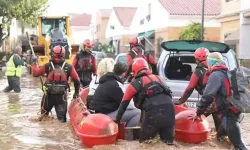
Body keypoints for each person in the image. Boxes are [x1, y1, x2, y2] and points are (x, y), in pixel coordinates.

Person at [189, 52, 247, 150]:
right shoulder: (228, 72)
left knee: (239, 145)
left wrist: (198, 112)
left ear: (211, 63)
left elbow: (208, 96)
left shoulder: (216, 75)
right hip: (235, 111)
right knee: (221, 135)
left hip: (229, 114)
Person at [115, 58, 175, 144]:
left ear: (134, 71)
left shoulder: (135, 83)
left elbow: (123, 105)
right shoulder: (160, 79)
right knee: (168, 144)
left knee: (145, 144)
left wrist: (117, 121)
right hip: (170, 112)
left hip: (153, 113)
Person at [173, 48, 225, 141]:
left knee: (194, 119)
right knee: (220, 132)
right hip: (220, 102)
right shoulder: (217, 70)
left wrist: (180, 101)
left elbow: (189, 88)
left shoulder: (198, 71)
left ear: (196, 59)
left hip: (209, 102)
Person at [32, 45, 80, 122]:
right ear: (64, 55)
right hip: (62, 98)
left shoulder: (47, 66)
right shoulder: (69, 67)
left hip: (48, 97)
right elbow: (77, 80)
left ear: (53, 53)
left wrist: (34, 63)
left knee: (43, 118)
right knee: (62, 122)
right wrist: (76, 93)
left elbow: (35, 74)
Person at [89, 62, 140, 127]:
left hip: (97, 114)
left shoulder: (106, 81)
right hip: (104, 116)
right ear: (124, 74)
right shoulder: (115, 85)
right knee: (137, 112)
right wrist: (137, 105)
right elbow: (127, 105)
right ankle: (127, 135)